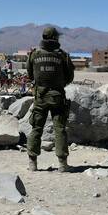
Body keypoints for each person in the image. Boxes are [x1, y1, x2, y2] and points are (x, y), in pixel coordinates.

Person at [26, 27, 75, 172]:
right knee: (59, 129)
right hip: (57, 97)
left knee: (36, 128)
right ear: (55, 38)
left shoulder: (34, 55)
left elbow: (30, 75)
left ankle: (32, 163)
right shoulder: (62, 56)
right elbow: (70, 76)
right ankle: (62, 164)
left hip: (40, 97)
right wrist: (59, 84)